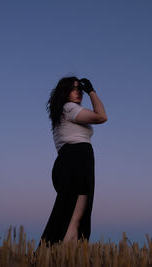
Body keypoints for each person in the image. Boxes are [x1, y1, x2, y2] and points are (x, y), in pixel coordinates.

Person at [40, 76, 107, 246]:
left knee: (68, 215)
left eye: (80, 88)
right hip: (76, 161)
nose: (78, 91)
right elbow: (101, 116)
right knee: (74, 219)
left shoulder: (62, 111)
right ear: (64, 92)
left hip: (70, 161)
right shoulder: (69, 108)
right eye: (73, 88)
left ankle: (56, 257)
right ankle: (62, 257)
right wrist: (92, 91)